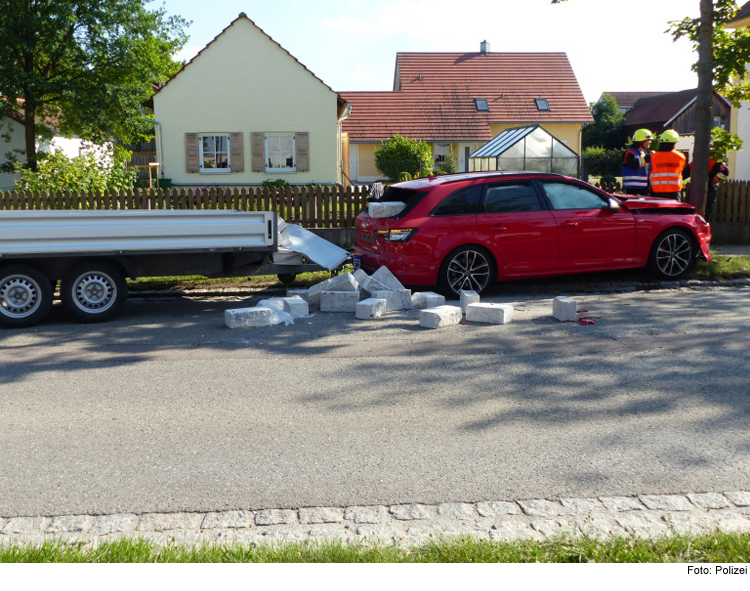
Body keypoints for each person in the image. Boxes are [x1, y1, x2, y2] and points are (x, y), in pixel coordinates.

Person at [650, 129, 690, 200]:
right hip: (674, 192)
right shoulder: (680, 157)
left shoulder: (653, 157)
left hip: (657, 192)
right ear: (674, 143)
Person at [621, 128, 653, 195]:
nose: (650, 142)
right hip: (632, 189)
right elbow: (634, 164)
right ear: (641, 141)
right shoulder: (630, 153)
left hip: (644, 188)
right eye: (648, 140)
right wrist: (648, 158)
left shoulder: (644, 153)